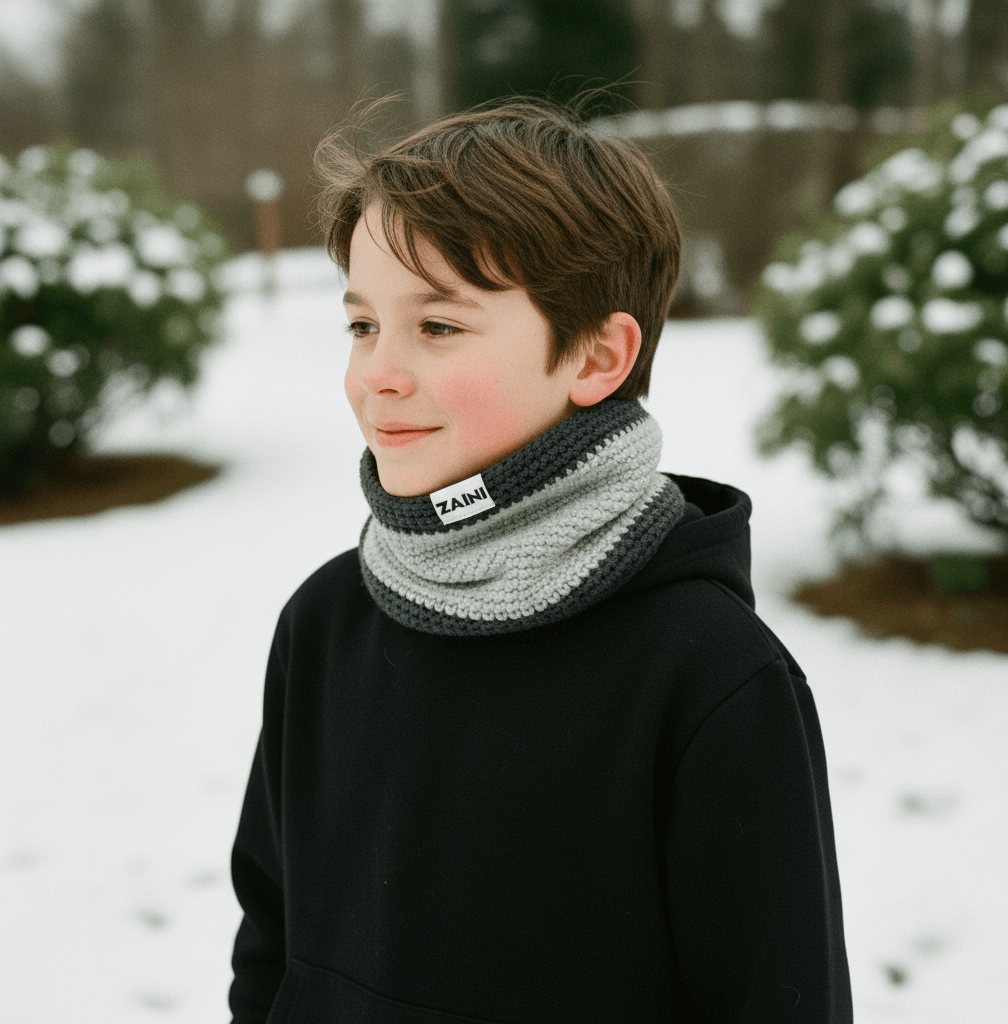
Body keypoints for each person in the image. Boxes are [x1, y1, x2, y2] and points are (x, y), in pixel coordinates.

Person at [228, 99, 853, 1023]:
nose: (377, 373)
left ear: (598, 356)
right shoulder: (325, 622)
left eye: (438, 326)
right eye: (362, 325)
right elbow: (272, 941)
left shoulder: (710, 675)